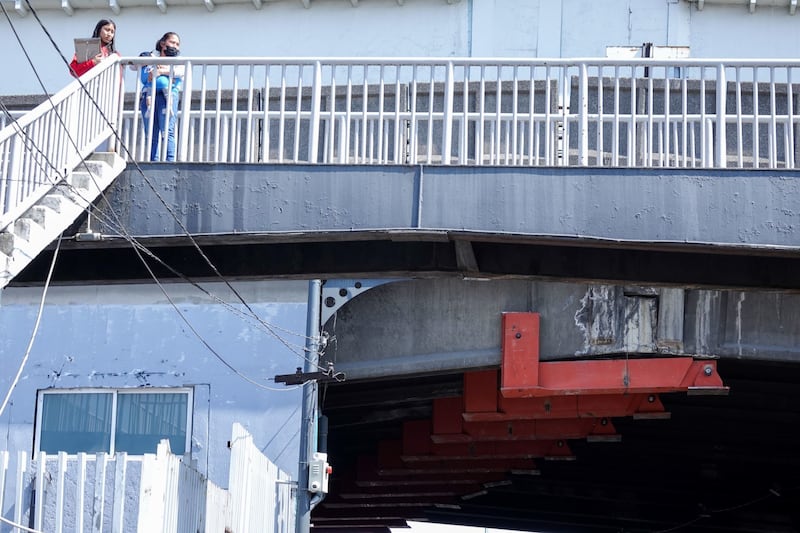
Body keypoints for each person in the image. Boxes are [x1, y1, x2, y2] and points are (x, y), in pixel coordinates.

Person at [139, 32, 183, 161]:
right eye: (172, 42)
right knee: (151, 132)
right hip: (149, 96)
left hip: (168, 97)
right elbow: (133, 67)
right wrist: (144, 59)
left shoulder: (178, 61)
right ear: (163, 43)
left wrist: (161, 71)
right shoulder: (152, 59)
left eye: (177, 44)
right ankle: (153, 160)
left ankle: (170, 160)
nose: (175, 46)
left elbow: (181, 72)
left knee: (167, 131)